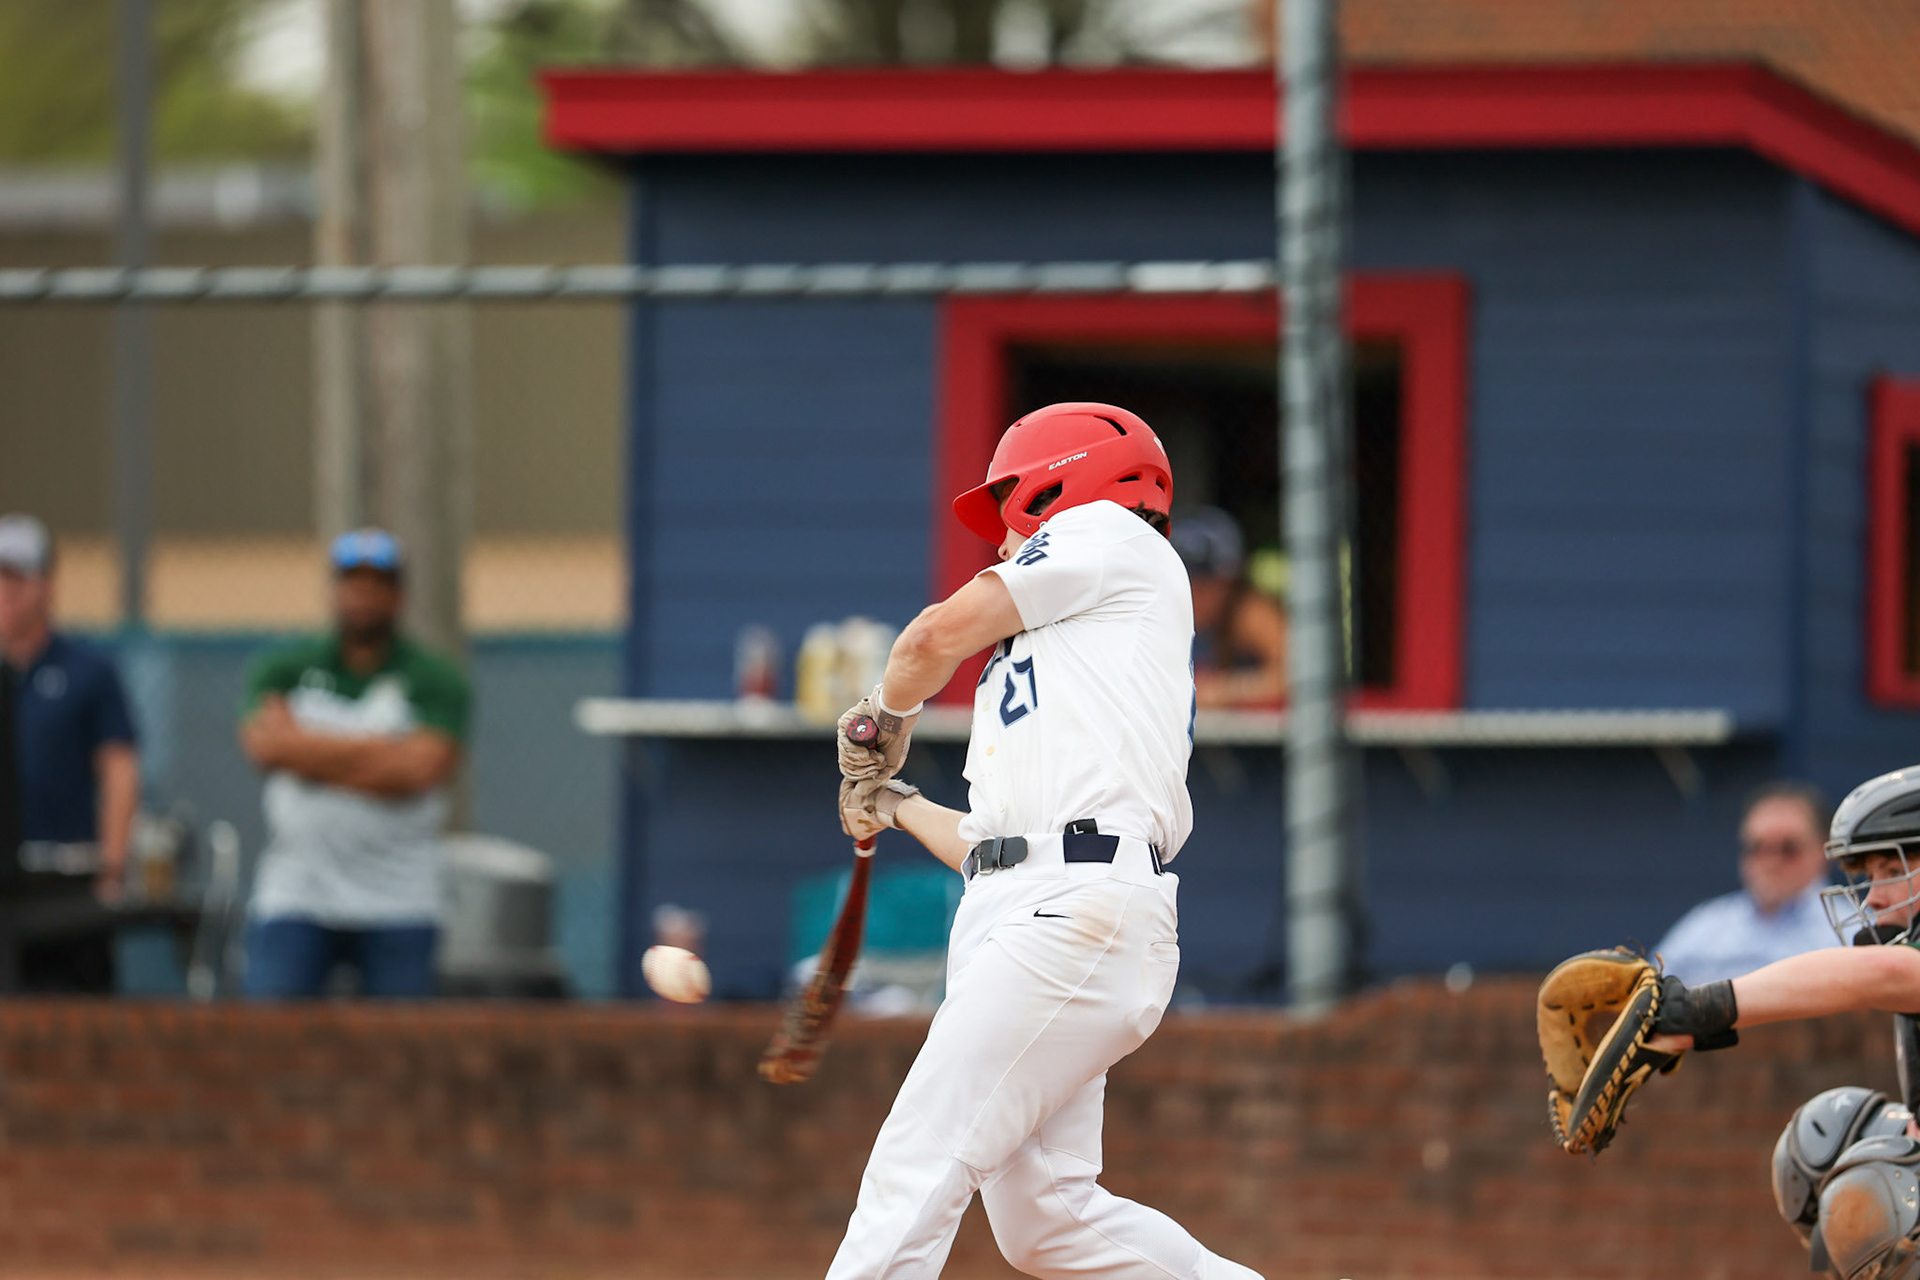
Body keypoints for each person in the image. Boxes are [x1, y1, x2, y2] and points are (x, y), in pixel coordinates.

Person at [830, 402, 1261, 1280]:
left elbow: (927, 638)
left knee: (919, 1157)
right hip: (1039, 905)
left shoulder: (1111, 532)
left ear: (1061, 480)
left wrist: (887, 718)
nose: (999, 538)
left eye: (1010, 507)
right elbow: (997, 846)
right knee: (1048, 1220)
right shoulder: (1071, 647)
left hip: (1075, 910)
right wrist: (896, 799)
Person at [1599, 765, 1920, 1278]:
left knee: (1880, 1185)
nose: (1875, 896)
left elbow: (1880, 973)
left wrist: (1702, 1010)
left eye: (1892, 868)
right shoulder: (1713, 918)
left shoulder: (1892, 960)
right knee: (1830, 1138)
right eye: (1870, 876)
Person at [237, 528, 469, 999]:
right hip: (297, 892)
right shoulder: (283, 667)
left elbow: (418, 771)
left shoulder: (436, 679)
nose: (362, 597)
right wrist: (380, 751)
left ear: (398, 595)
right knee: (268, 1035)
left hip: (398, 898)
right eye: (351, 584)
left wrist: (305, 752)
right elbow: (265, 748)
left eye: (376, 585)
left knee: (401, 1053)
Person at [0, 514, 139, 994]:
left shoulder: (87, 671)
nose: (7, 592)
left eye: (18, 579)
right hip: (4, 880)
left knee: (76, 1015)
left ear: (47, 586)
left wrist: (113, 869)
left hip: (67, 876)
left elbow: (119, 770)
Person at [1650, 781, 1839, 983]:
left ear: (1824, 851)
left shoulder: (1850, 930)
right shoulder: (1705, 925)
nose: (1770, 862)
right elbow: (1647, 993)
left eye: (1788, 849)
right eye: (1756, 847)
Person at [1169, 506, 1287, 708]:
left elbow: (1299, 676)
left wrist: (1225, 690)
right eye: (1186, 580)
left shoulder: (1251, 612)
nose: (1193, 593)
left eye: (1204, 583)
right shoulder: (1171, 612)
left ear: (1230, 581)